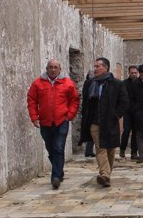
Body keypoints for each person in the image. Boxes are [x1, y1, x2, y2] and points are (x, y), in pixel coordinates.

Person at [27, 59, 80, 189]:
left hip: (61, 121)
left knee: (58, 147)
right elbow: (32, 100)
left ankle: (55, 177)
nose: (53, 69)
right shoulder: (37, 83)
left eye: (56, 67)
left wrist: (70, 115)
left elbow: (74, 100)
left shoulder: (67, 83)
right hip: (45, 122)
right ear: (47, 68)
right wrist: (34, 117)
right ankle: (59, 171)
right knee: (50, 148)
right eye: (51, 67)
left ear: (60, 69)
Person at [79, 57, 128, 187]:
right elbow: (85, 103)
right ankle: (104, 174)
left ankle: (107, 175)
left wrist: (116, 115)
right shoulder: (90, 84)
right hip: (95, 123)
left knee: (111, 149)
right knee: (100, 148)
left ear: (105, 67)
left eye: (97, 66)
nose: (95, 69)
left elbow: (124, 102)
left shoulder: (117, 84)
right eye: (94, 66)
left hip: (110, 122)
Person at [119, 65, 140, 160]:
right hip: (127, 111)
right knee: (126, 131)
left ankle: (134, 152)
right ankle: (122, 149)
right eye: (132, 73)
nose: (134, 74)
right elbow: (124, 97)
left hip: (137, 111)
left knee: (136, 131)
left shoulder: (140, 83)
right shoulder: (124, 83)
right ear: (129, 73)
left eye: (135, 73)